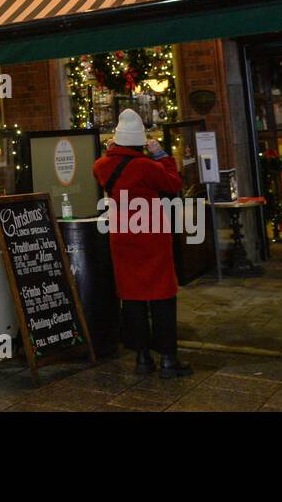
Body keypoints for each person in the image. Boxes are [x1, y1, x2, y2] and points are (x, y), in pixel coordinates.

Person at [93, 109, 192, 378]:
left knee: (132, 297)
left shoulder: (102, 165)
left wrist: (113, 149)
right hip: (151, 236)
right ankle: (169, 359)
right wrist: (161, 155)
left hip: (122, 236)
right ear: (140, 141)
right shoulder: (147, 166)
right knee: (162, 296)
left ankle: (142, 357)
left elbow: (108, 167)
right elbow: (173, 185)